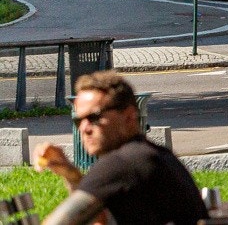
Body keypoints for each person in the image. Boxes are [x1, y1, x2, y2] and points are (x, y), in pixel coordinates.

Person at [33, 71, 206, 225]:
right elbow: (98, 218)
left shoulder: (121, 164)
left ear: (129, 116)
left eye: (94, 117)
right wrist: (70, 174)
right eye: (79, 121)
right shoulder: (153, 154)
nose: (84, 129)